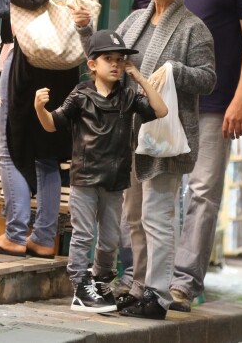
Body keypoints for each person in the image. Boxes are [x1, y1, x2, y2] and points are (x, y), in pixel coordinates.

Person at [126, 0, 242, 312]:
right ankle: (141, 277)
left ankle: (184, 283)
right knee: (146, 187)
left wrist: (241, 98)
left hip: (215, 99)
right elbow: (140, 20)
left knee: (203, 190)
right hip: (157, 103)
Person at [72, 0, 216, 320]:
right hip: (128, 133)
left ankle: (158, 295)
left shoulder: (193, 28)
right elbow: (104, 58)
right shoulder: (135, 21)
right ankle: (139, 286)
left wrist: (173, 69)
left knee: (158, 215)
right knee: (133, 217)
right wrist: (86, 27)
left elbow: (208, 79)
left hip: (166, 136)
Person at [35, 29, 168, 313]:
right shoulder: (81, 94)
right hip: (84, 177)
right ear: (92, 64)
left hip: (115, 180)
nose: (116, 64)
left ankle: (100, 280)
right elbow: (51, 124)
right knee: (83, 234)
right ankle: (80, 284)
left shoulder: (128, 96)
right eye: (109, 58)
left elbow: (160, 110)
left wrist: (140, 78)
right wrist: (39, 108)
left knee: (109, 238)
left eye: (120, 59)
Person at [0, 0, 86, 258]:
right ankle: (43, 237)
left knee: (10, 142)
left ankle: (14, 231)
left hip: (33, 61)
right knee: (47, 154)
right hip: (62, 66)